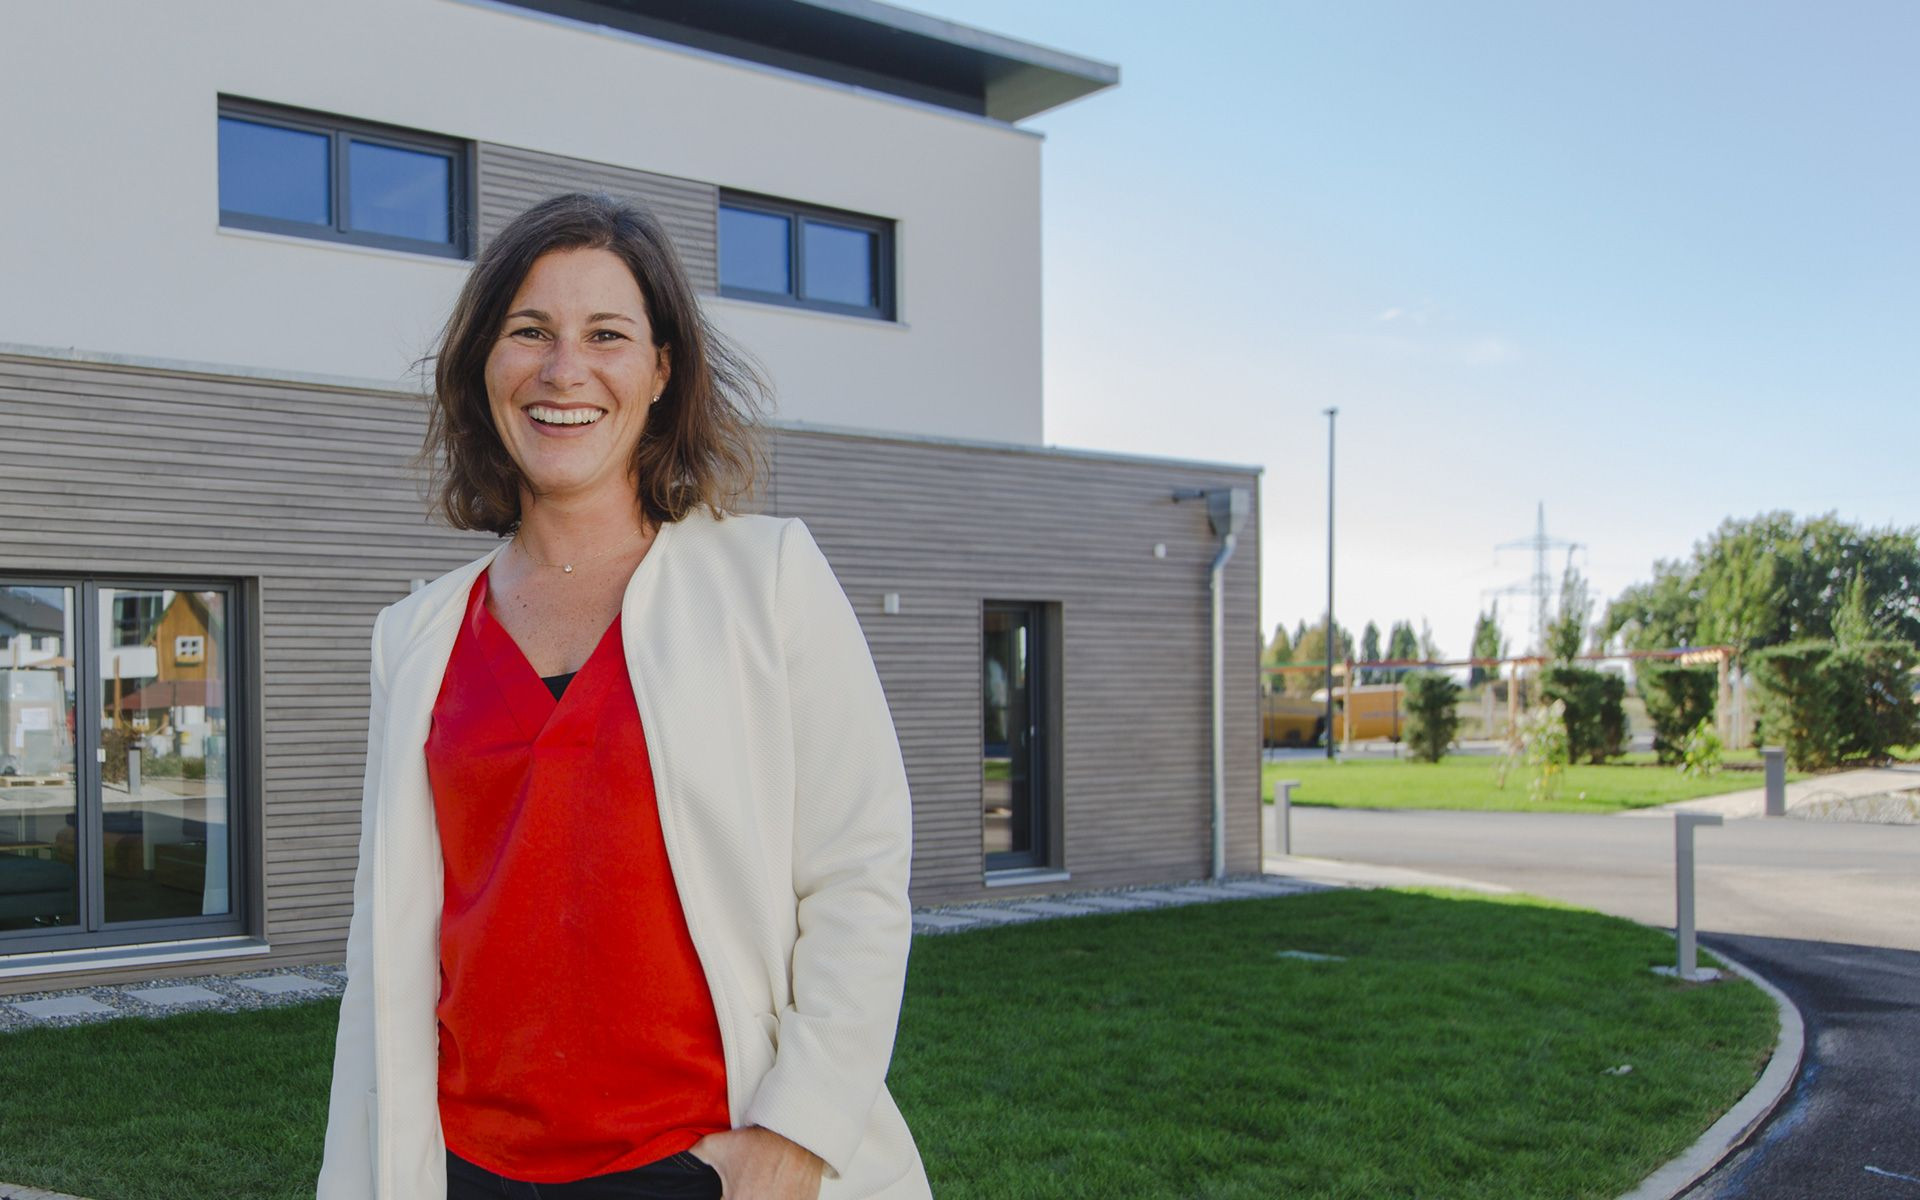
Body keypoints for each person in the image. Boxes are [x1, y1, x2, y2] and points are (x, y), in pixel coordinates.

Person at [316, 192, 930, 1200]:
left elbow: (858, 874)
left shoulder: (767, 579)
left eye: (607, 334)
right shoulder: (415, 636)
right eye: (530, 333)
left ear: (660, 371)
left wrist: (797, 1139)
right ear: (485, 365)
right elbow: (386, 950)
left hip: (701, 1164)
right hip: (465, 1168)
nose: (565, 370)